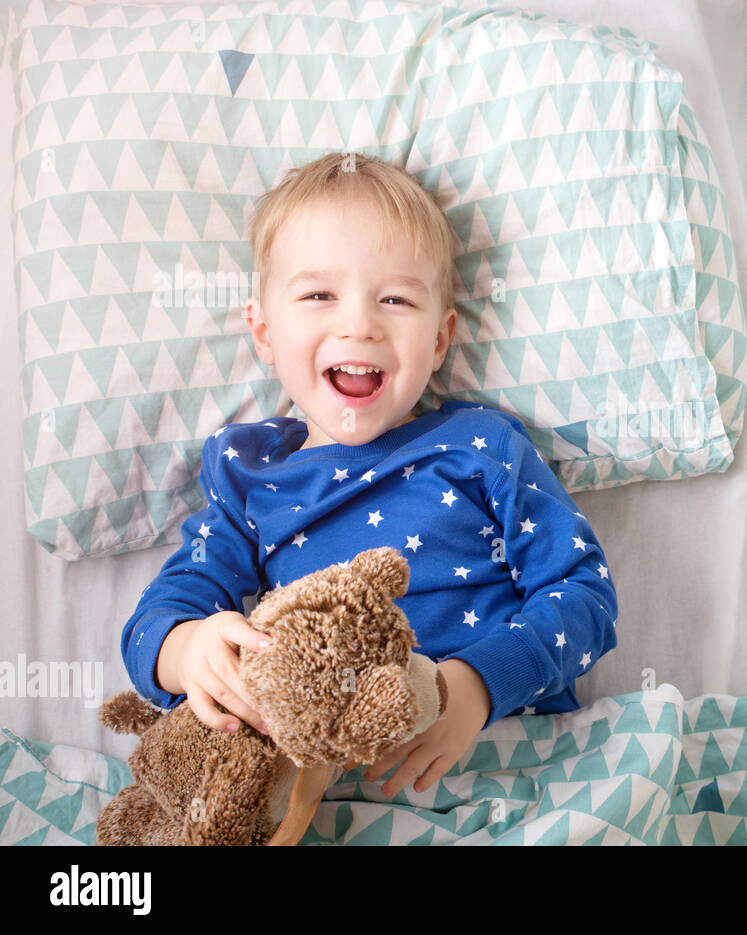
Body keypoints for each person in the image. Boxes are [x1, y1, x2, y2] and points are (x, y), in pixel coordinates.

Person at [119, 152, 618, 797]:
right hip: (327, 795)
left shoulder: (480, 447)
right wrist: (187, 650)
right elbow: (159, 614)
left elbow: (586, 597)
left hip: (509, 766)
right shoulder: (253, 479)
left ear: (440, 341)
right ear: (264, 332)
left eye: (395, 298)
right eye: (319, 294)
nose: (359, 323)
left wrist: (475, 686)